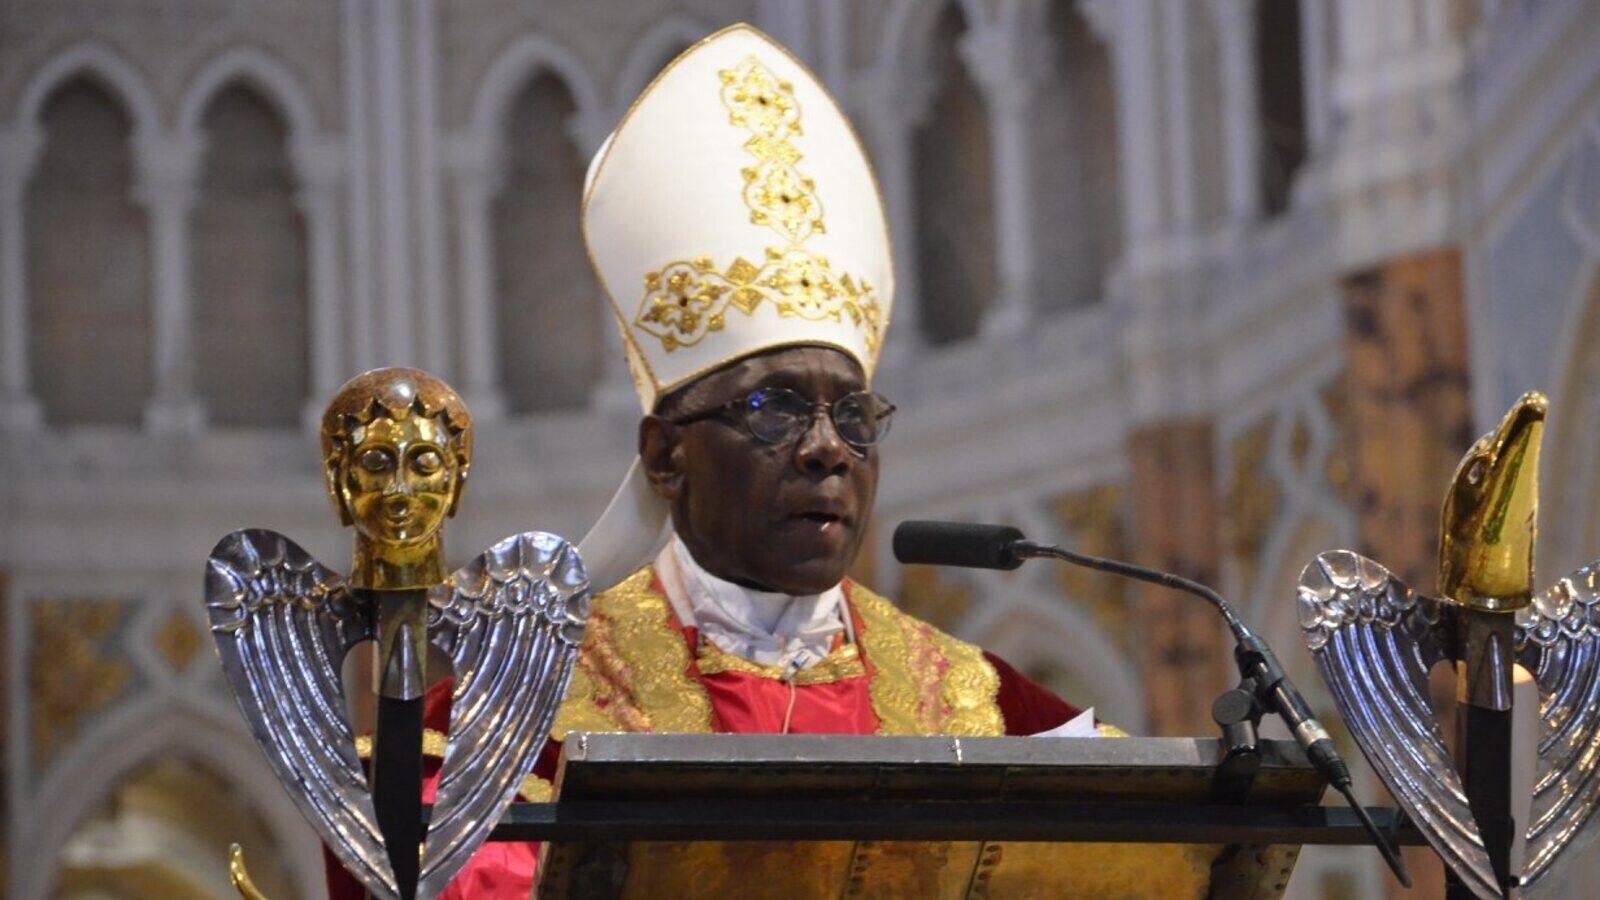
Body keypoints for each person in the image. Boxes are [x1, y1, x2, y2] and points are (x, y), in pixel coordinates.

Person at [327, 24, 1091, 899]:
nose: (826, 450)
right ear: (664, 456)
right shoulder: (521, 719)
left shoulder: (983, 704)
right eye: (773, 409)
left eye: (852, 414)